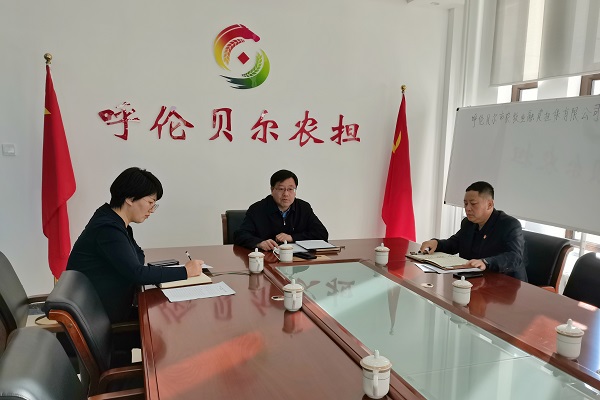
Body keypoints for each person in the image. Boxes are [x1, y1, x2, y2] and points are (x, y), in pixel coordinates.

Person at [67, 167, 204, 324]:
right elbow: (138, 273)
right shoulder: (108, 229)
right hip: (99, 318)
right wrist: (185, 271)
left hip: (104, 307)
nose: (152, 210)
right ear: (130, 199)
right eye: (150, 202)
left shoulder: (115, 221)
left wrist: (137, 271)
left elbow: (138, 258)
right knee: (174, 320)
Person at [419, 181, 527, 282]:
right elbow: (455, 243)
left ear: (489, 204)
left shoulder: (509, 225)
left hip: (506, 285)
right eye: (465, 204)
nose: (467, 208)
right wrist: (437, 243)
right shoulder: (468, 223)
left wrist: (486, 262)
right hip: (476, 280)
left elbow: (515, 257)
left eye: (473, 204)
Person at [234, 169, 328, 250]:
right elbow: (240, 235)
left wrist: (292, 237)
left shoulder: (303, 208)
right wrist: (259, 243)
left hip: (297, 259)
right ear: (272, 190)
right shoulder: (257, 209)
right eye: (281, 189)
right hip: (267, 258)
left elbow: (322, 233)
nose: (286, 194)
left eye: (290, 189)